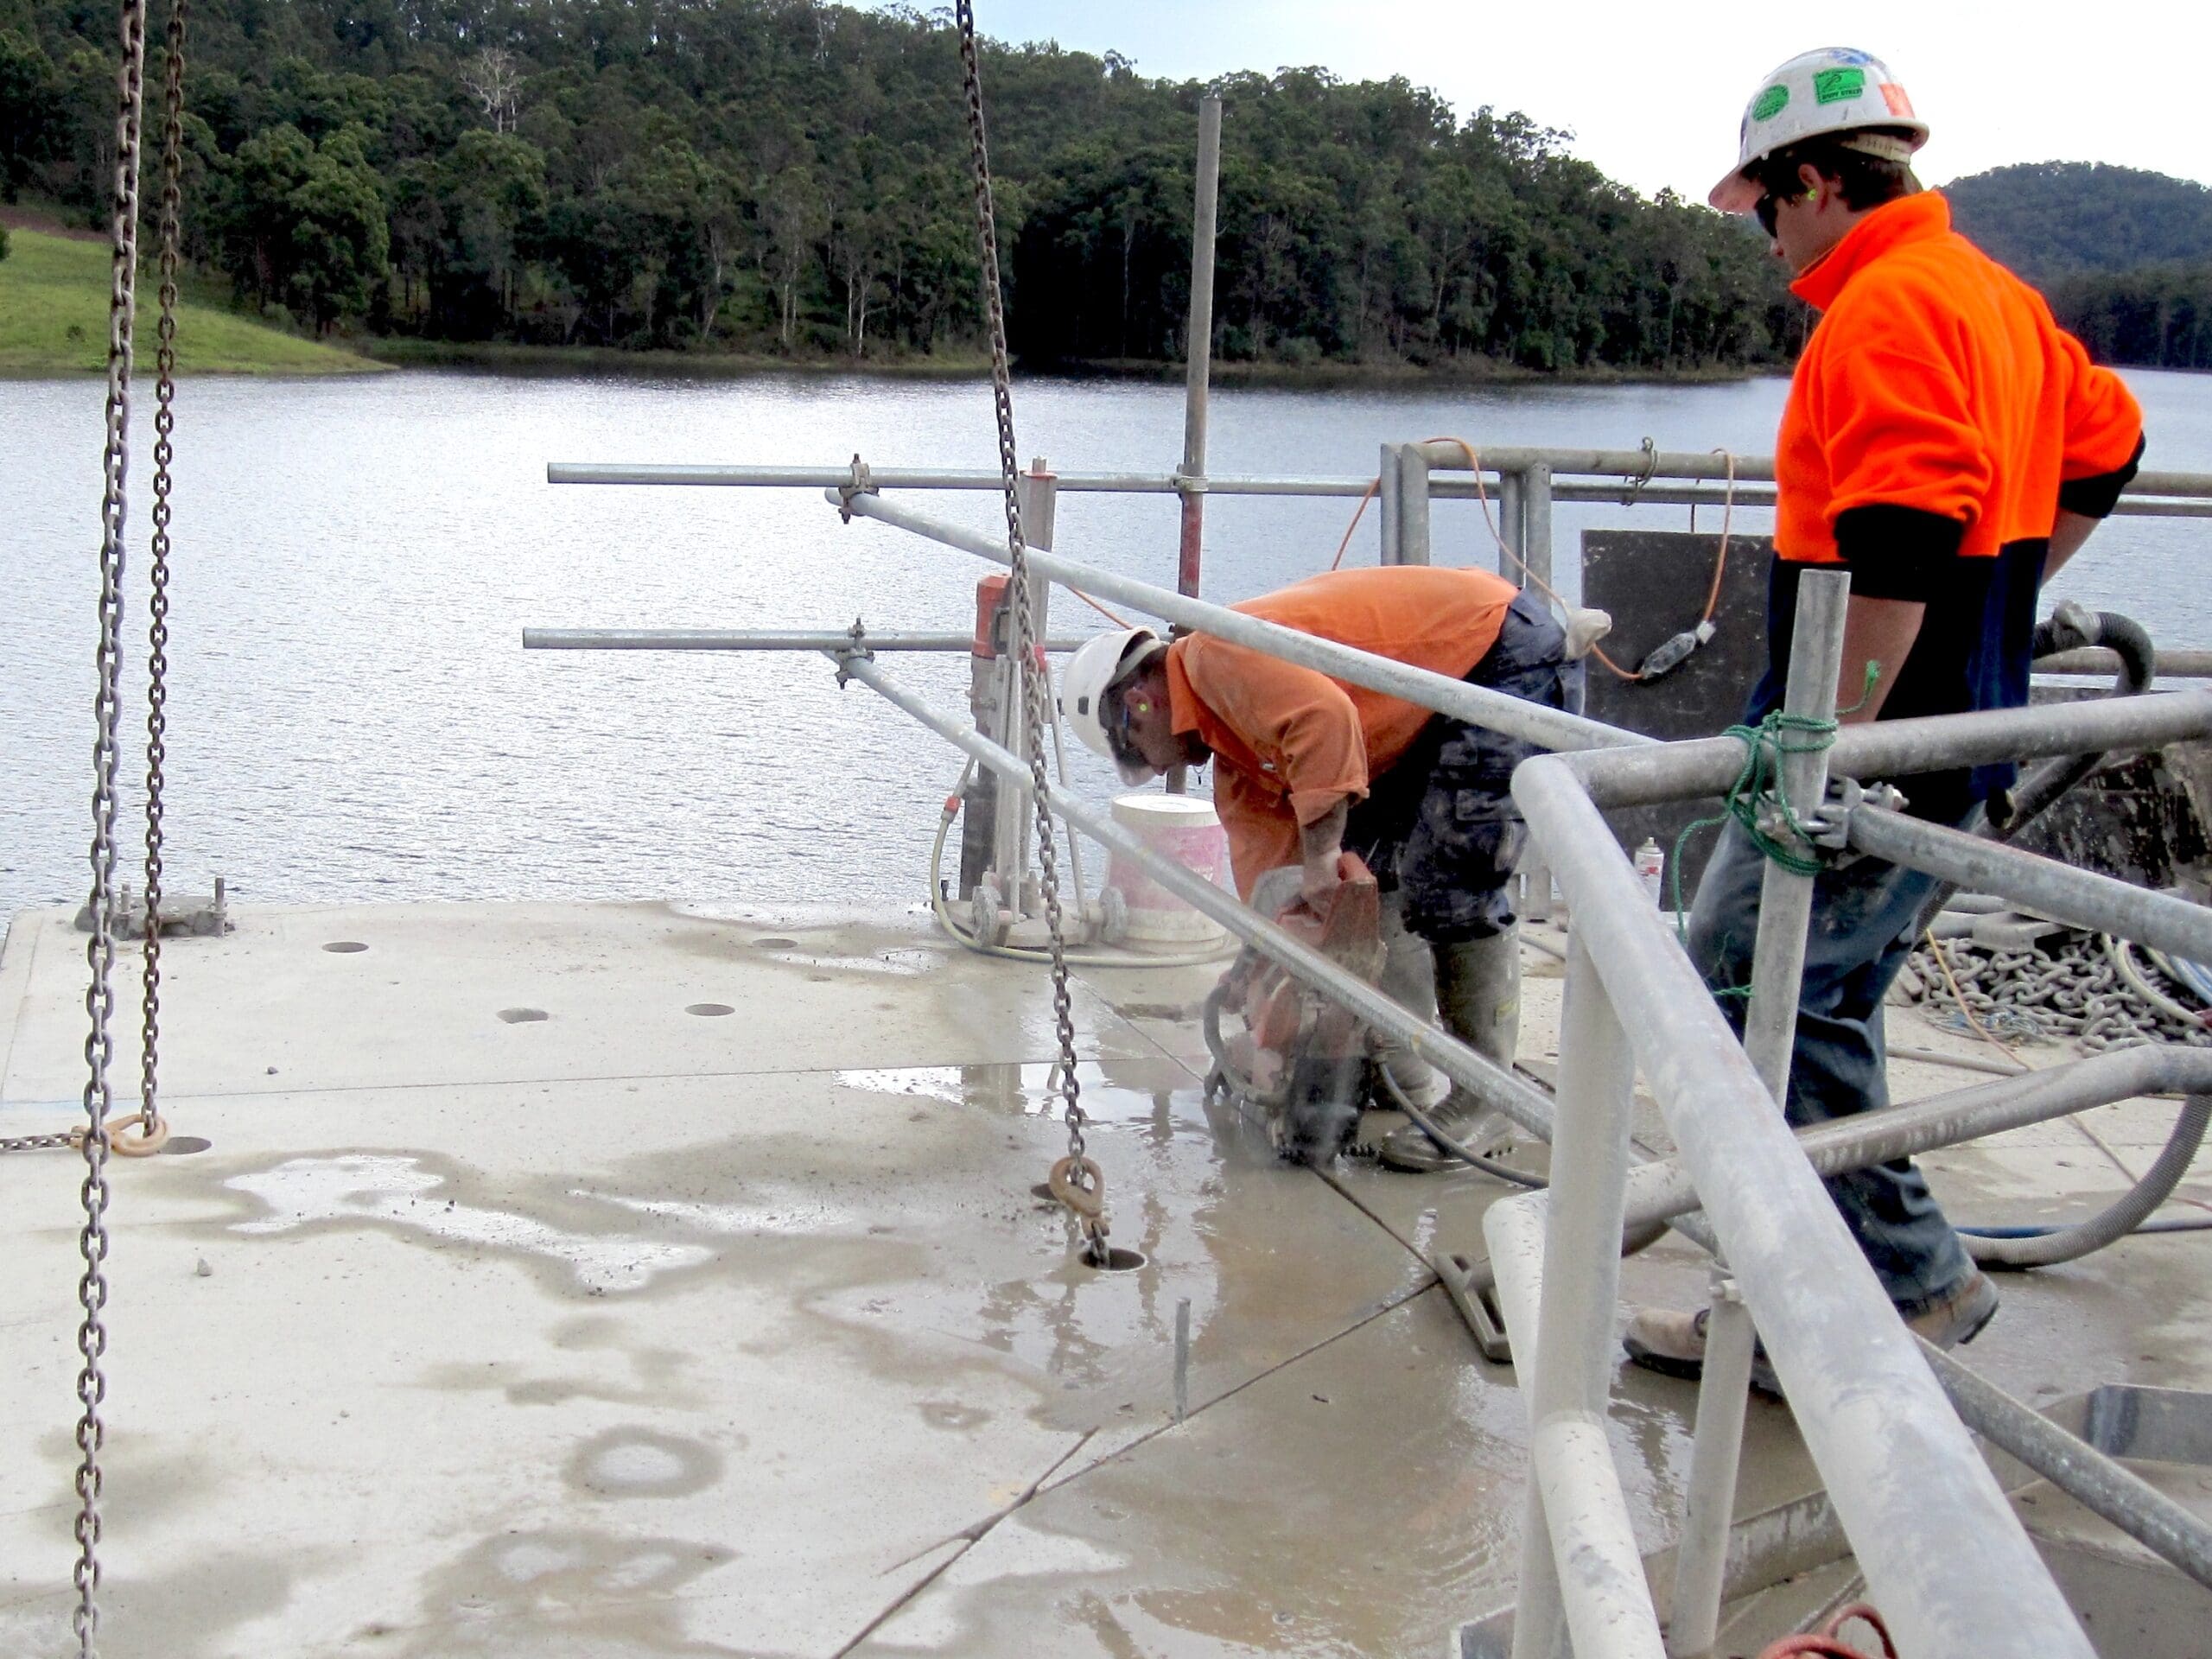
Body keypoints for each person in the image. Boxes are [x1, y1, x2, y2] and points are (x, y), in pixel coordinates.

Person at [1624, 47, 2145, 1388]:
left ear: (1815, 179)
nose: (1765, 234)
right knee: (1811, 1007)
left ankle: (1899, 1293)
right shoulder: (1994, 296)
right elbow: (2110, 438)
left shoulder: (1891, 307)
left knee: (1756, 999)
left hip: (1870, 758)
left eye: (1766, 206)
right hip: (1946, 730)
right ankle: (1853, 1291)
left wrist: (1831, 738)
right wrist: (2011, 599)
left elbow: (1905, 533)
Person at [1058, 564, 1582, 1172]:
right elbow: (1275, 895)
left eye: (1140, 757)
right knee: (1375, 876)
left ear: (1136, 707)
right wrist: (1257, 992)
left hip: (1493, 651)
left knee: (1454, 880)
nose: (1157, 769)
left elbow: (1325, 721)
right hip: (1425, 699)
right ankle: (1402, 1076)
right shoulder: (1234, 755)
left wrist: (1320, 859)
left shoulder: (1216, 656)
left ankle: (1488, 1097)